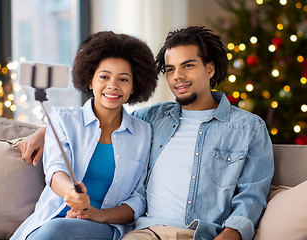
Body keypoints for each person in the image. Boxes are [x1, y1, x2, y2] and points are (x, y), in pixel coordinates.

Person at [21, 26, 274, 240]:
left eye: (188, 65)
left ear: (209, 69)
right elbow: (104, 116)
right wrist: (46, 130)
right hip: (144, 233)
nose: (178, 77)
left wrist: (231, 234)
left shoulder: (248, 128)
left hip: (197, 234)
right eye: (171, 69)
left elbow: (252, 195)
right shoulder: (155, 118)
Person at [10, 31, 158, 240]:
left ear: (134, 86)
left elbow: (138, 198)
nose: (113, 86)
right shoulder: (62, 120)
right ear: (90, 81)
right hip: (52, 218)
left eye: (123, 79)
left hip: (102, 226)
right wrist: (70, 193)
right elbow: (55, 169)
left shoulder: (143, 133)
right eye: (104, 77)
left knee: (58, 231)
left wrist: (99, 215)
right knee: (54, 229)